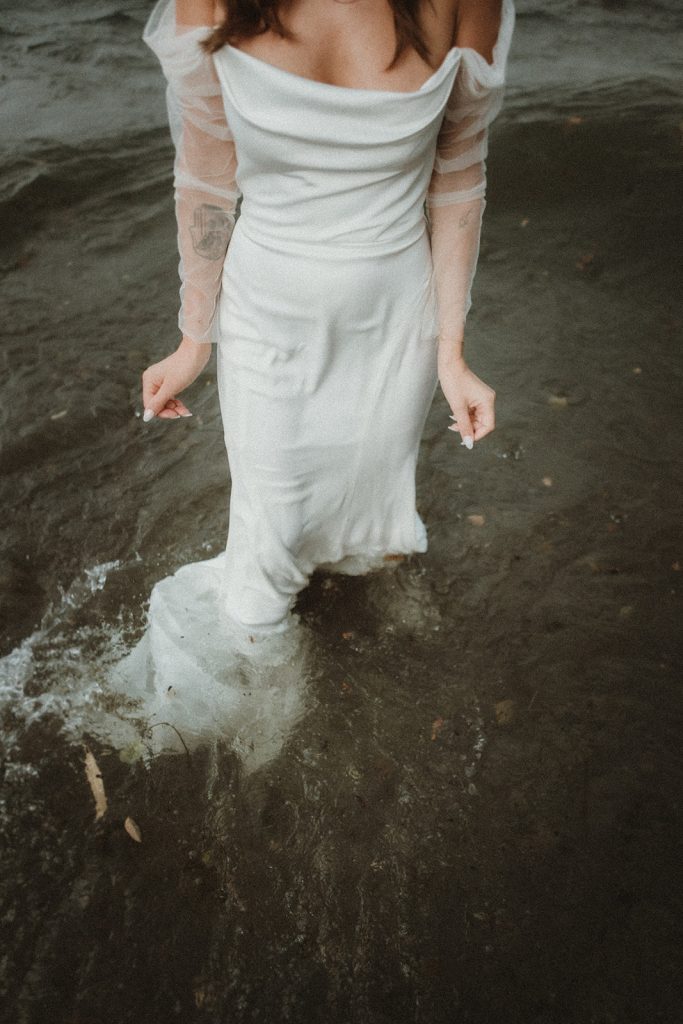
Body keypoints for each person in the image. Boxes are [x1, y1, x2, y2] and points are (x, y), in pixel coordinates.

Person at [139, 0, 515, 642]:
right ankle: (264, 713)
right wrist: (194, 340)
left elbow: (457, 173)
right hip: (266, 311)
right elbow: (206, 174)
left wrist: (451, 350)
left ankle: (359, 605)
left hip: (396, 315)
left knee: (371, 490)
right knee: (271, 535)